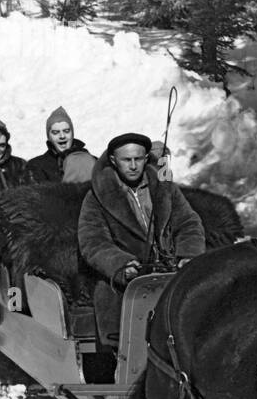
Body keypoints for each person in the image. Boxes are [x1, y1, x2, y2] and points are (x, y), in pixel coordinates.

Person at [77, 131, 205, 347]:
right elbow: (93, 242)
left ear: (146, 159)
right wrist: (121, 264)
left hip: (169, 270)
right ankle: (118, 358)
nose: (133, 166)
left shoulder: (165, 189)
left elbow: (189, 223)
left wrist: (188, 254)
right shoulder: (97, 197)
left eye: (138, 159)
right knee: (113, 311)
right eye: (127, 160)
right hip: (126, 279)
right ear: (113, 160)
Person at [25, 106, 97, 185]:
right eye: (55, 132)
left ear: (72, 133)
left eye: (66, 131)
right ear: (49, 137)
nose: (62, 136)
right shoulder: (36, 166)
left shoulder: (92, 161)